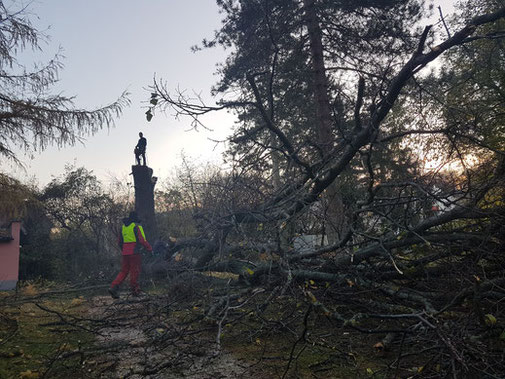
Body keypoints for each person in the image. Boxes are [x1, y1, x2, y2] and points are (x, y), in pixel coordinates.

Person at [109, 211, 152, 298]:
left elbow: (119, 242)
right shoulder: (137, 227)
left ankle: (113, 287)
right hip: (135, 253)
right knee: (135, 271)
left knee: (124, 271)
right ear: (136, 219)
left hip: (125, 253)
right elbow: (142, 240)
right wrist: (150, 249)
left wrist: (124, 250)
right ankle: (135, 291)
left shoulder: (123, 227)